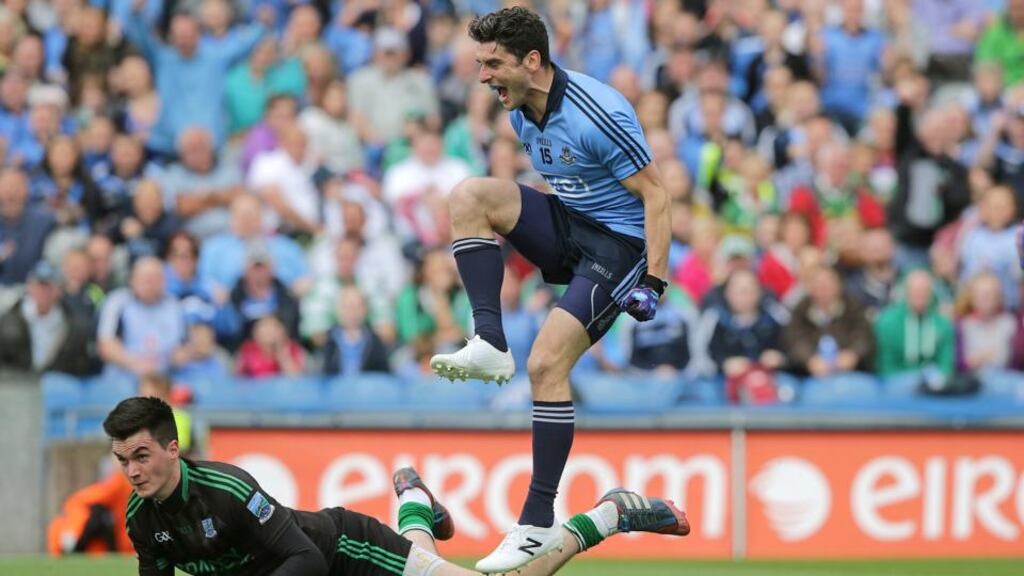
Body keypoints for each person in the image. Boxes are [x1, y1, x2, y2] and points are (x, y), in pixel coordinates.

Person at [427, 7, 672, 571]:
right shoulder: (519, 113)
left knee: (546, 365)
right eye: (480, 63)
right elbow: (566, 183)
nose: (484, 76)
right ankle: (489, 339)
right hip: (572, 223)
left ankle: (536, 523)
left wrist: (654, 280)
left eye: (494, 63)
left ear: (532, 60)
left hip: (619, 248)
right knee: (469, 197)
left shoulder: (597, 112)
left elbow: (656, 196)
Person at [106, 396, 689, 575]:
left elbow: (305, 559)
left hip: (348, 554)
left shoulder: (228, 490)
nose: (132, 471)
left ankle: (610, 513)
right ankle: (415, 500)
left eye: (141, 455)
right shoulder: (140, 518)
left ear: (172, 448)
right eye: (122, 460)